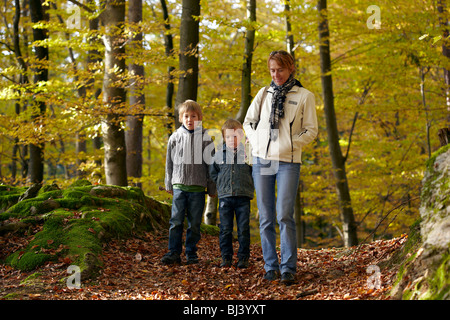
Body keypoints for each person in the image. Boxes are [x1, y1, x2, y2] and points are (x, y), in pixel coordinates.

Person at [243, 50, 318, 284]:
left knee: (284, 214)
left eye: (280, 70)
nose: (276, 74)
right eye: (272, 70)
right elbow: (248, 122)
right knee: (265, 216)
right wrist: (256, 142)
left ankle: (288, 268)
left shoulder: (305, 96)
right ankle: (270, 266)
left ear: (291, 68)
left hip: (288, 162)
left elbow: (311, 130)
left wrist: (289, 144)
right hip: (261, 161)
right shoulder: (263, 94)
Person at [161, 100, 216, 265]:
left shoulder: (206, 138)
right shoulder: (175, 137)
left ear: (200, 118)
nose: (190, 119)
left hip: (197, 188)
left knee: (195, 223)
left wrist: (212, 188)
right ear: (180, 118)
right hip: (179, 186)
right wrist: (168, 184)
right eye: (186, 116)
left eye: (194, 116)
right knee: (176, 221)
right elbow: (169, 163)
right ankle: (173, 252)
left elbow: (211, 165)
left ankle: (191, 252)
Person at [210, 119, 254, 268]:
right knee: (225, 229)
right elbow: (213, 173)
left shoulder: (248, 154)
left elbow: (254, 172)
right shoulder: (218, 155)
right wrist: (221, 185)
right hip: (225, 197)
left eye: (235, 136)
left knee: (243, 229)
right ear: (224, 137)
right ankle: (226, 257)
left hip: (243, 196)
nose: (231, 139)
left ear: (241, 136)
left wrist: (249, 185)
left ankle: (243, 258)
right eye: (228, 137)